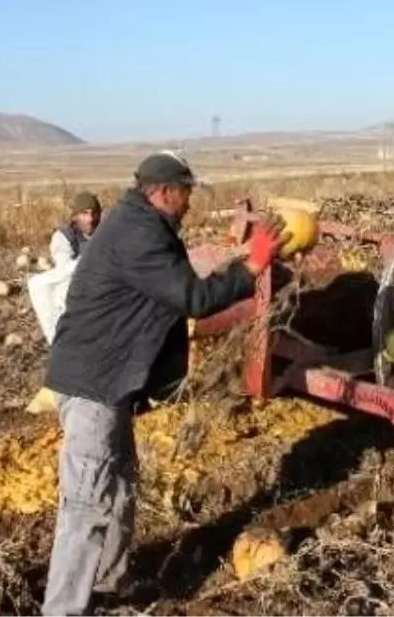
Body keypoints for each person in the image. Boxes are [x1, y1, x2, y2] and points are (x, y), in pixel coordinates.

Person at [40, 151, 288, 616]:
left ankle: (108, 588)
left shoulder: (141, 224)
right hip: (95, 383)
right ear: (164, 192)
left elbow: (174, 287)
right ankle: (63, 609)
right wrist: (251, 269)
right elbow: (191, 298)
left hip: (109, 382)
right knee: (88, 504)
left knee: (118, 485)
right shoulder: (138, 233)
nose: (191, 201)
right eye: (188, 191)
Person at [27, 191, 103, 344]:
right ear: (75, 216)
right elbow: (64, 270)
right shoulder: (64, 237)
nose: (90, 219)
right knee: (41, 285)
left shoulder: (106, 232)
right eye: (84, 213)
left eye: (94, 213)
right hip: (76, 291)